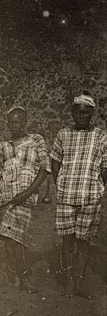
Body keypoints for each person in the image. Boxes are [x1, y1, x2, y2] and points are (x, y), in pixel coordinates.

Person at [50, 94, 107, 300]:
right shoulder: (63, 134)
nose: (81, 115)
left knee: (83, 242)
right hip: (66, 196)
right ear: (72, 113)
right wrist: (62, 185)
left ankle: (80, 282)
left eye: (85, 111)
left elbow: (105, 168)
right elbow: (55, 163)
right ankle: (69, 283)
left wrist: (97, 188)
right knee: (67, 240)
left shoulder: (101, 136)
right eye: (77, 111)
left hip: (90, 197)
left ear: (92, 113)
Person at [0, 106, 50, 293]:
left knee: (18, 241)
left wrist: (28, 193)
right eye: (11, 122)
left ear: (25, 122)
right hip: (5, 199)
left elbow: (44, 169)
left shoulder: (36, 141)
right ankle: (17, 277)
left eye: (18, 121)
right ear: (7, 123)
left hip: (24, 200)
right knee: (7, 241)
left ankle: (22, 277)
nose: (14, 125)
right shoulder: (3, 146)